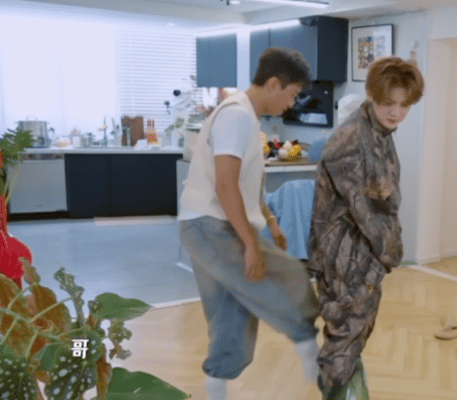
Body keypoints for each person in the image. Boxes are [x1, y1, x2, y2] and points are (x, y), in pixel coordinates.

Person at [178, 47, 320, 400]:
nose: (292, 103)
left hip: (206, 224)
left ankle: (217, 388)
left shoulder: (245, 116)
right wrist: (252, 244)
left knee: (231, 311)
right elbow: (225, 186)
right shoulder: (237, 117)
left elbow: (246, 185)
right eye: (292, 93)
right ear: (273, 84)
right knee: (288, 276)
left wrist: (270, 221)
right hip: (211, 225)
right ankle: (310, 351)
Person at [308, 56, 424, 399]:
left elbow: (384, 200)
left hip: (363, 254)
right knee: (346, 332)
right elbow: (368, 211)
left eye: (405, 105)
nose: (397, 112)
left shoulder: (380, 131)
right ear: (372, 95)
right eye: (389, 103)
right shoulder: (353, 139)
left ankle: (339, 384)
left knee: (354, 330)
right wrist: (392, 253)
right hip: (344, 256)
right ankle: (335, 389)